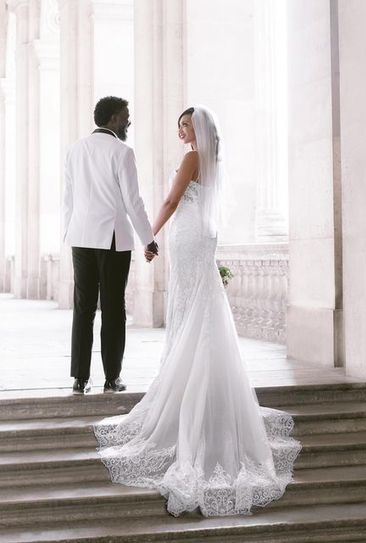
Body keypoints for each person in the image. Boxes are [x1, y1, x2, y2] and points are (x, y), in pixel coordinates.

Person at [94, 106, 300, 516]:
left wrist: (148, 234)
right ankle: (197, 377)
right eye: (180, 126)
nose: (180, 131)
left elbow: (172, 199)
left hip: (188, 238)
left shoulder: (192, 158)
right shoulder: (213, 160)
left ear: (197, 130)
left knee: (191, 307)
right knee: (199, 306)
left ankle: (186, 383)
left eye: (185, 126)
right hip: (203, 238)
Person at [63, 96, 158, 395]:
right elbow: (133, 201)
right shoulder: (122, 152)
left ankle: (80, 378)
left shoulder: (74, 150)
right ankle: (111, 378)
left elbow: (68, 198)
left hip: (80, 236)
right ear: (114, 119)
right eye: (126, 116)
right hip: (112, 238)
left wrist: (69, 233)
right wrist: (149, 239)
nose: (129, 122)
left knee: (84, 307)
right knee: (114, 308)